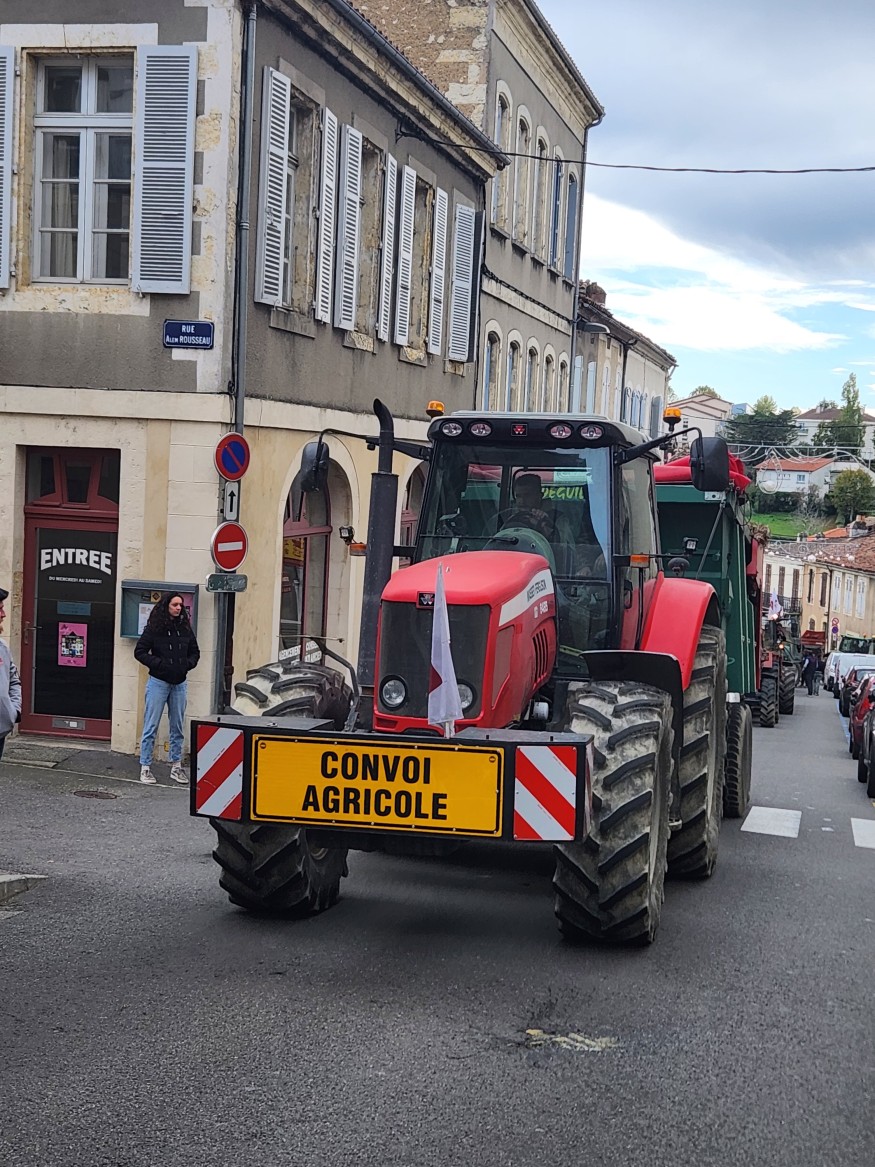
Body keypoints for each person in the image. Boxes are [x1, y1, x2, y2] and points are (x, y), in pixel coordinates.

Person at [134, 593, 200, 784]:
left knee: (177, 726)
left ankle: (176, 767)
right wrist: (159, 664)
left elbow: (195, 652)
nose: (178, 608)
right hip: (158, 682)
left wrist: (186, 665)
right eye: (175, 605)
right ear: (166, 606)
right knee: (151, 725)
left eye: (180, 605)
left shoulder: (185, 628)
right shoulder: (154, 628)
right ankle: (145, 767)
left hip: (179, 683)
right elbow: (140, 652)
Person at [0, 586, 22, 763]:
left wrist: (13, 711)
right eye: (0, 609)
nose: (4, 614)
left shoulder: (2, 647)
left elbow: (14, 680)